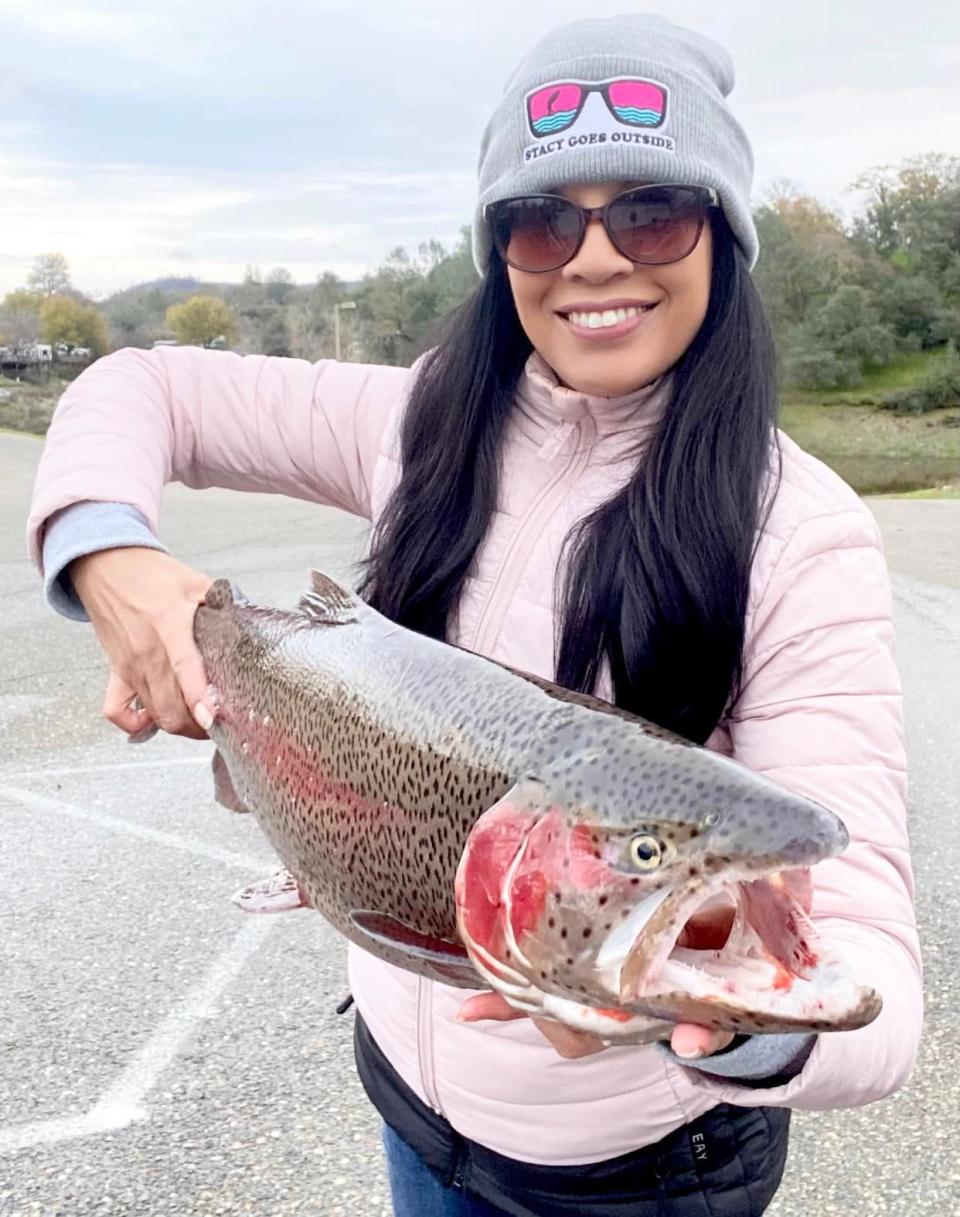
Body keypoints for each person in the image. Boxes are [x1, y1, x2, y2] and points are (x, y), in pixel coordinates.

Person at [27, 13, 921, 1216]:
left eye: (652, 210)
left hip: (636, 1176)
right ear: (501, 251)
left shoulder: (798, 528)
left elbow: (870, 966)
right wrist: (108, 556)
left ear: (725, 232)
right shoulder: (420, 421)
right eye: (543, 220)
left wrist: (719, 1027)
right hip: (404, 1095)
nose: (594, 259)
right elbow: (139, 383)